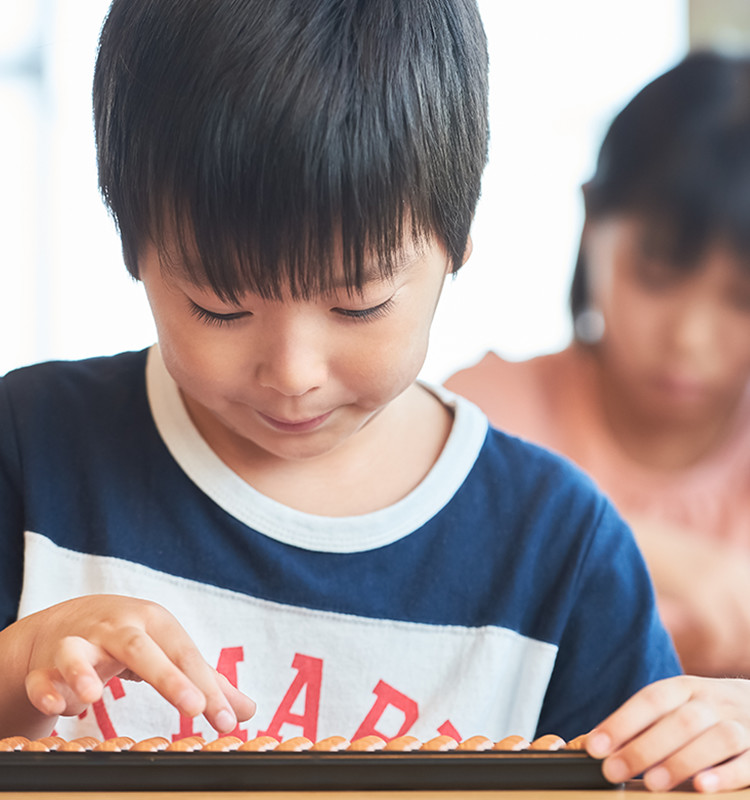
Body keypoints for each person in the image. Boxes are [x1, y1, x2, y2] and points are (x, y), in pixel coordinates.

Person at [0, 4, 748, 793]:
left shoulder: (557, 551)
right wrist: (19, 672)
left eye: (357, 305)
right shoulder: (32, 449)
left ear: (457, 237)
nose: (293, 372)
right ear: (132, 244)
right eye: (221, 306)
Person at [445, 51, 750, 683]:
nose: (689, 338)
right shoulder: (488, 417)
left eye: (742, 299)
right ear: (591, 222)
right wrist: (660, 555)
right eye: (656, 275)